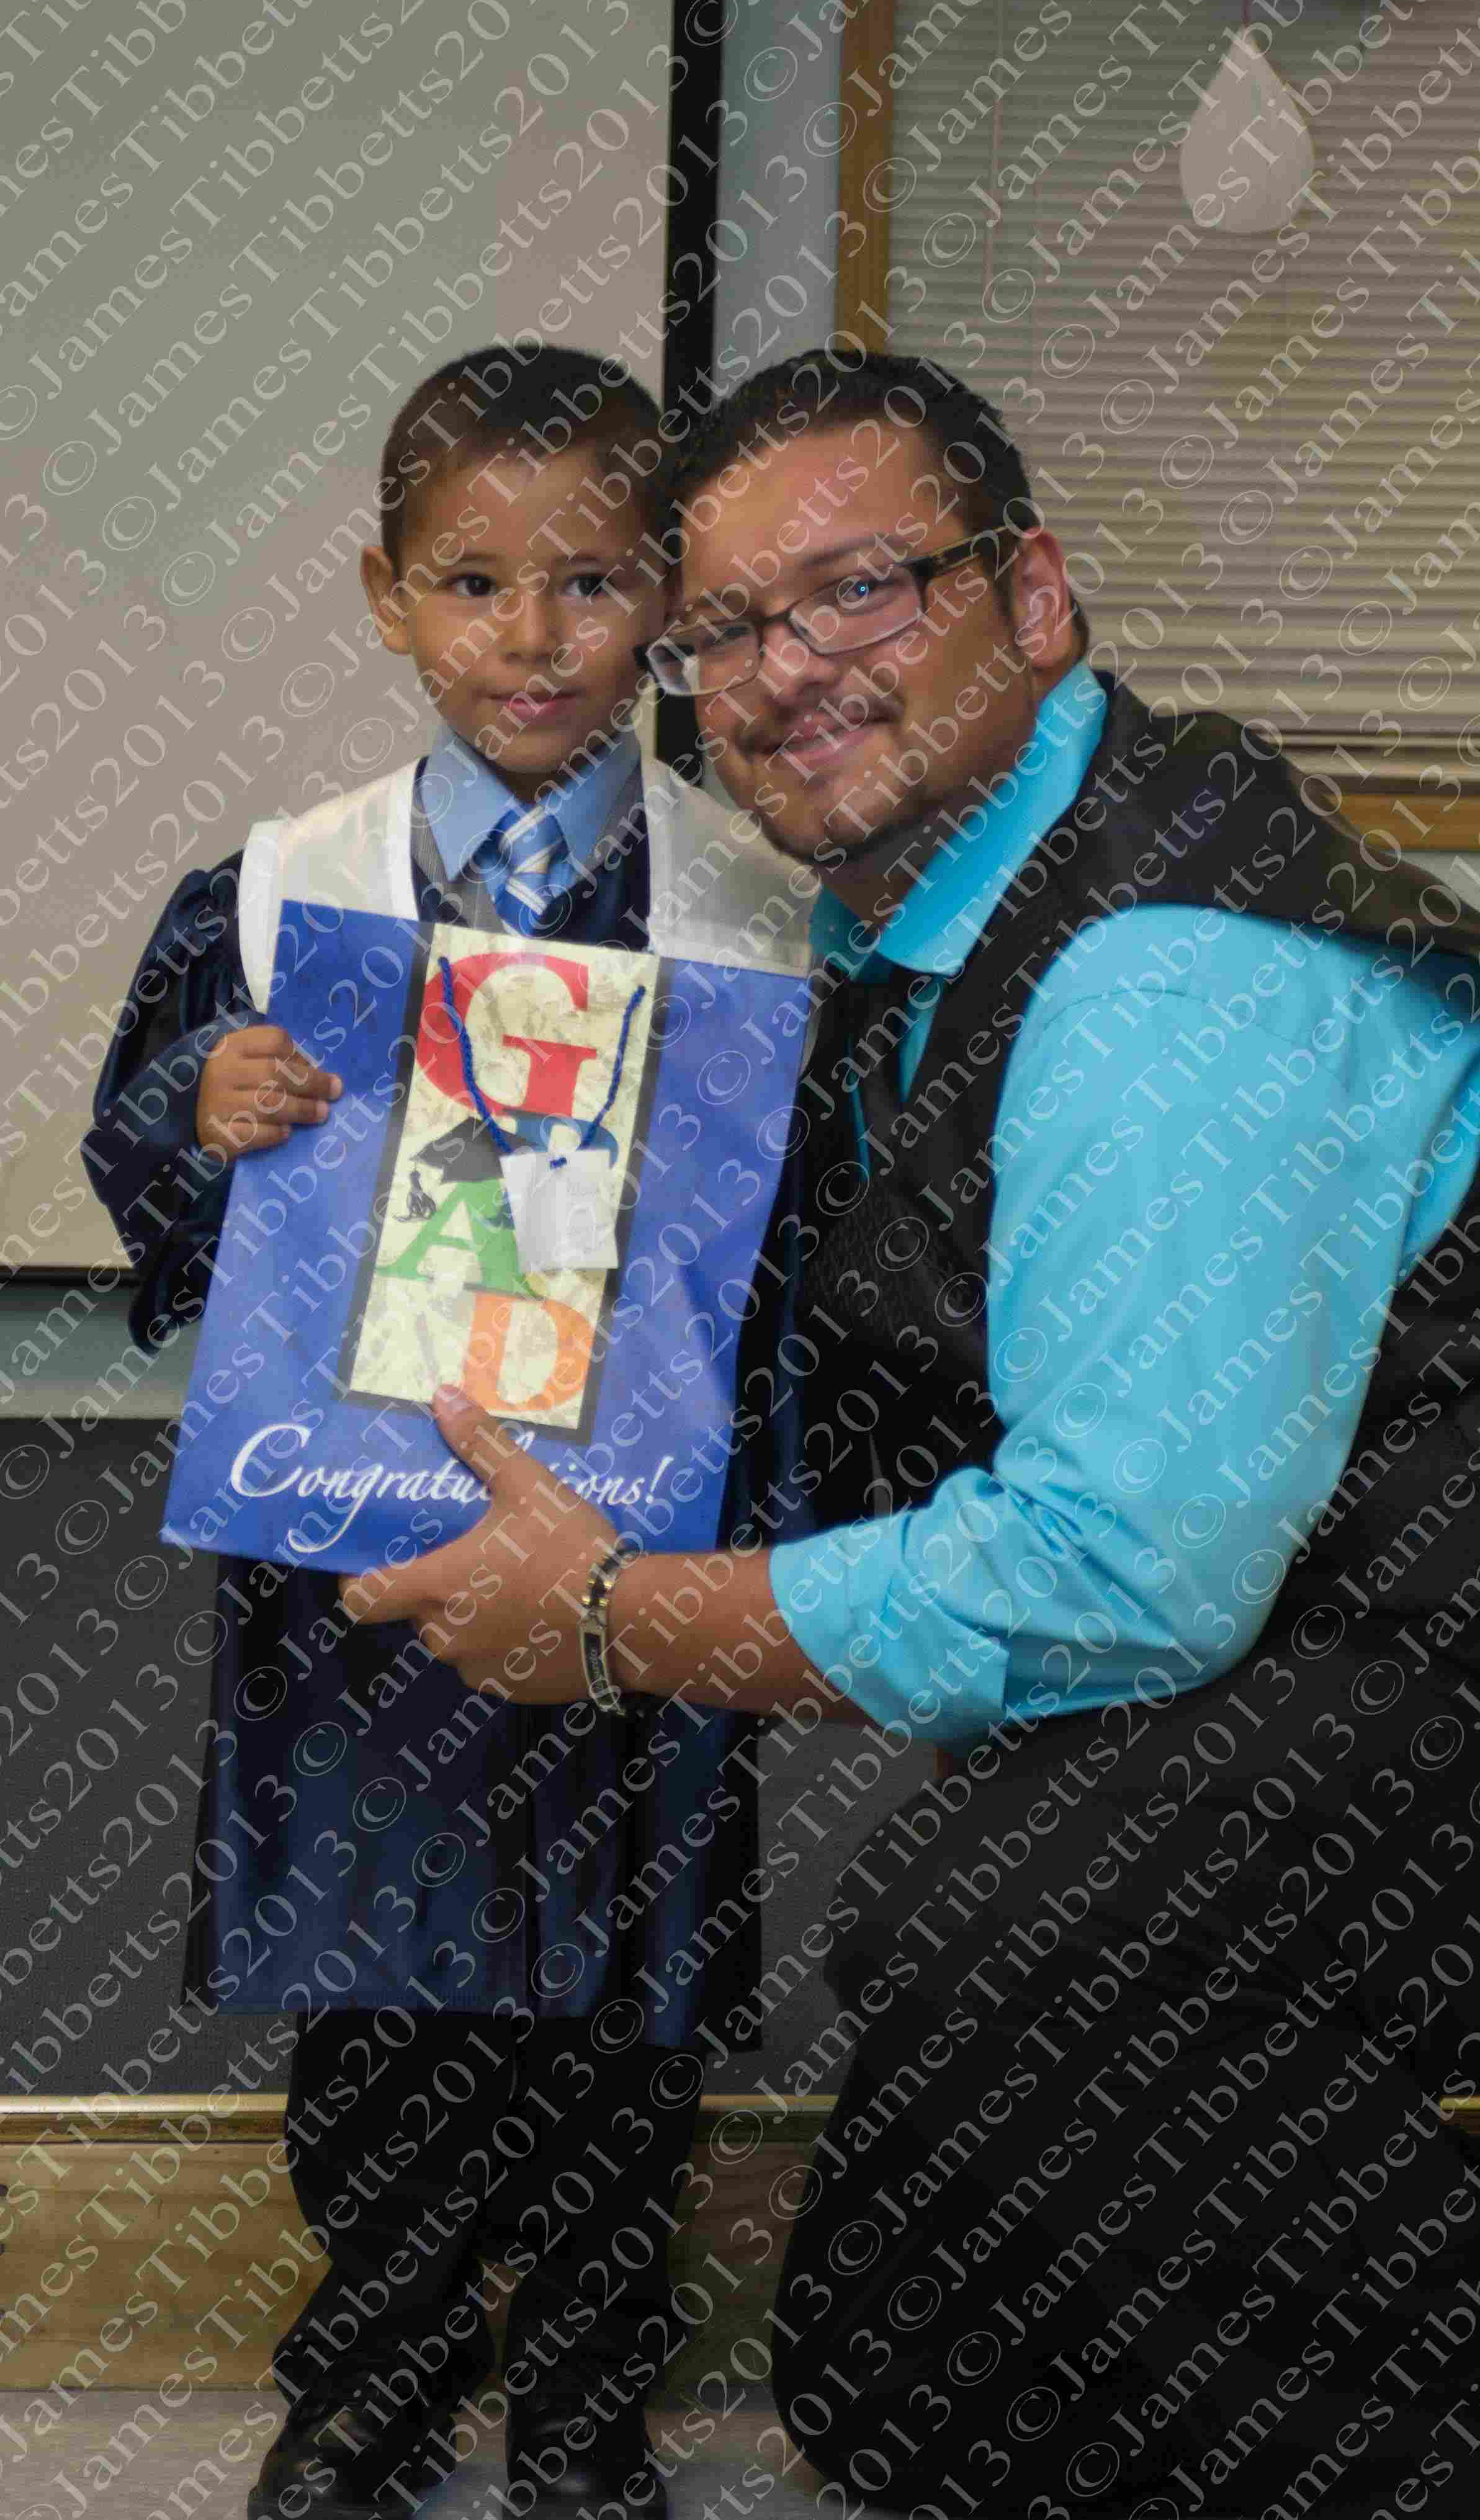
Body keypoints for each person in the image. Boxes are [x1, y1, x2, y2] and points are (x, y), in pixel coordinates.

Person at [344, 350, 1480, 2519]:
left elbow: (1124, 1571)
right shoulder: (919, 930)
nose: (785, 673)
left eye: (861, 590)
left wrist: (608, 1618)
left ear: (1035, 596)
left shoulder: (1170, 971)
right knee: (894, 2366)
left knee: (1001, 1931)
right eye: (724, 630)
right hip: (1333, 1653)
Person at [82, 345, 810, 2520]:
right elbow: (146, 1163)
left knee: (618, 2010)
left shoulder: (762, 907)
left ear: (668, 598)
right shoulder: (278, 892)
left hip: (631, 1556)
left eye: (593, 583)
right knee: (381, 2003)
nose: (533, 637)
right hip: (363, 1561)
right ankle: (374, 2376)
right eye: (475, 583)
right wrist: (198, 1108)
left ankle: (587, 2392)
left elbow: (822, 1240)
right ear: (387, 595)